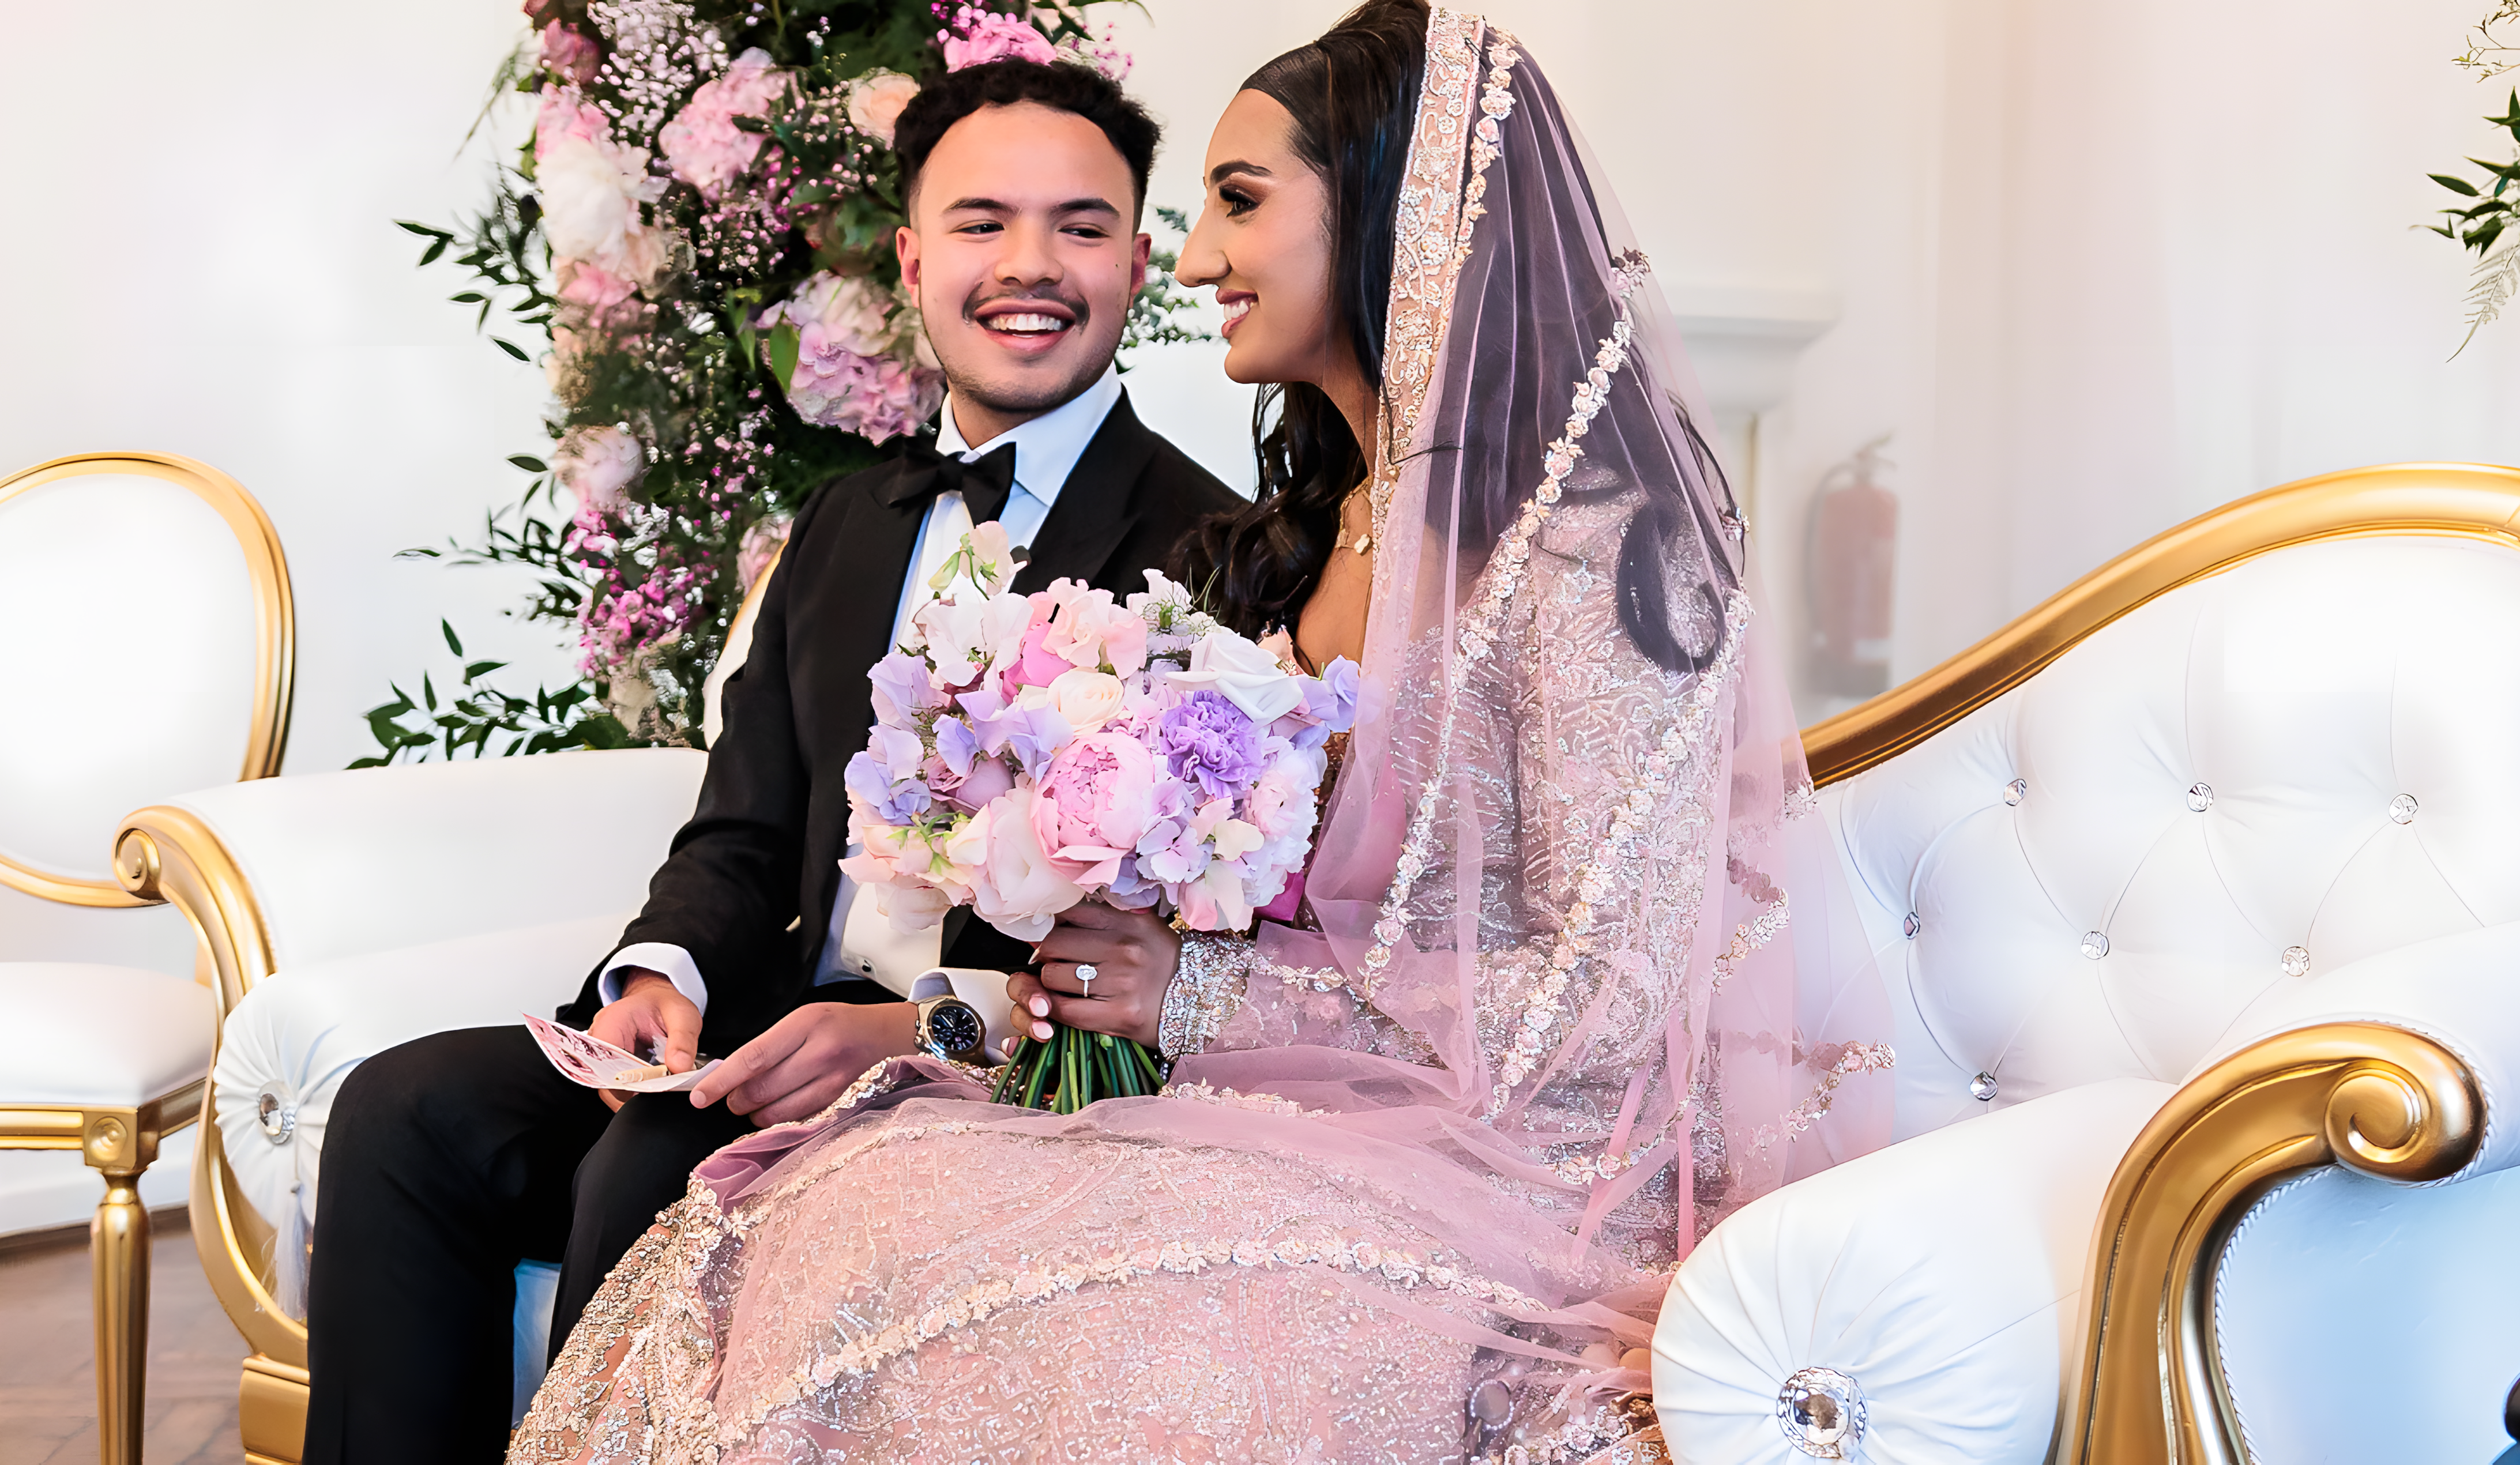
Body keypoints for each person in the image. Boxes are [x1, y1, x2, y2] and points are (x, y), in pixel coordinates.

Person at [508, 3, 1895, 1460]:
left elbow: (1607, 1007)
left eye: (1239, 202)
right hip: (1283, 1101)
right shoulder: (1299, 543)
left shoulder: (1595, 557)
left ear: (1390, 215)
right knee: (837, 1211)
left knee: (965, 1266)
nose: (1192, 260)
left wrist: (1199, 998)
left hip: (1525, 1159)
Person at [301, 57, 1239, 1464]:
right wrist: (659, 980)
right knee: (401, 1112)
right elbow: (742, 832)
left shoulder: (1211, 555)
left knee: (652, 1167)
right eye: (982, 223)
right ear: (913, 260)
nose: (1029, 264)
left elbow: (1183, 945)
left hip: (992, 1076)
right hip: (766, 1028)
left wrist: (921, 1029)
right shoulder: (845, 521)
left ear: (1140, 263)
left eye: (1081, 225)